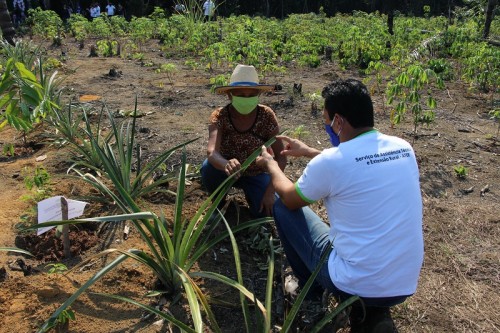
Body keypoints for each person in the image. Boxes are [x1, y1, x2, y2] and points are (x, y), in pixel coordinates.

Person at [256, 79, 424, 332]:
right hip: (404, 282)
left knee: (281, 206)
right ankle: (372, 314)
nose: (326, 125)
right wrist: (312, 152)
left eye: (326, 119)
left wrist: (270, 165)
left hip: (352, 281)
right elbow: (358, 163)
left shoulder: (332, 163)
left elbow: (290, 198)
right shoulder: (403, 148)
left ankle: (311, 293)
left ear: (338, 121)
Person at [201, 64, 286, 218]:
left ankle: (253, 198)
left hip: (256, 173)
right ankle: (218, 204)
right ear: (230, 95)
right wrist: (225, 163)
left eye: (251, 95)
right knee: (208, 169)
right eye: (240, 95)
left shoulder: (266, 115)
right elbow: (212, 152)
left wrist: (270, 191)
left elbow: (281, 157)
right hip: (226, 171)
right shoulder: (220, 116)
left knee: (265, 212)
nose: (246, 99)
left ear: (258, 95)